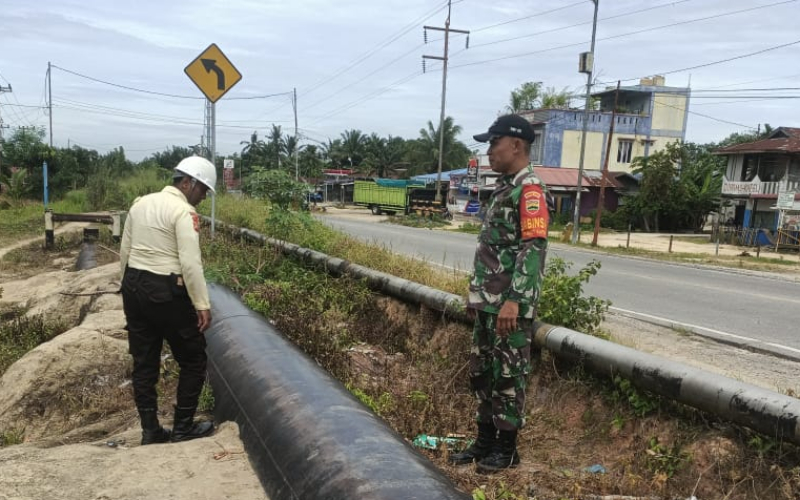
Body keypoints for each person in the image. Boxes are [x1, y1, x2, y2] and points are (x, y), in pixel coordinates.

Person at [448, 114, 549, 473]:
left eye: (494, 143)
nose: (489, 151)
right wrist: (476, 295)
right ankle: (484, 441)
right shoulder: (504, 187)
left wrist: (515, 301)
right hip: (488, 303)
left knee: (508, 375)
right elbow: (492, 249)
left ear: (516, 145)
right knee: (483, 373)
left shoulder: (529, 190)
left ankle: (506, 449)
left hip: (509, 306)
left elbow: (533, 248)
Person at [119, 156, 217, 445]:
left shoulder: (140, 204)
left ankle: (150, 431)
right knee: (194, 358)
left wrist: (126, 289)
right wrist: (202, 304)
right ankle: (183, 428)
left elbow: (125, 250)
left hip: (134, 284)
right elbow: (190, 263)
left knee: (144, 361)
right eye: (202, 190)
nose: (202, 197)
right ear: (187, 183)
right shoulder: (183, 211)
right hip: (165, 290)